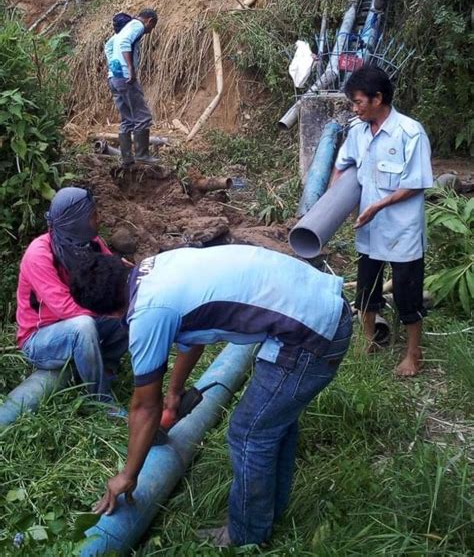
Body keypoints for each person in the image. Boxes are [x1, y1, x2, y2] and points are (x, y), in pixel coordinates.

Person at [69, 244, 353, 547]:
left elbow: (143, 408)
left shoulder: (148, 312)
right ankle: (270, 513)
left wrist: (127, 475)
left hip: (314, 334)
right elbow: (193, 336)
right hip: (321, 301)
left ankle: (247, 537)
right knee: (271, 423)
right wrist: (175, 393)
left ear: (111, 314)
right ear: (123, 264)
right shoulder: (157, 268)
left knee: (249, 434)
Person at [331, 66, 433, 376]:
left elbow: (415, 183)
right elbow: (342, 165)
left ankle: (413, 354)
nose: (354, 108)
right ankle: (369, 340)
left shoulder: (409, 132)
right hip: (369, 229)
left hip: (402, 230)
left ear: (378, 98)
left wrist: (378, 206)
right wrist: (334, 201)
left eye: (359, 101)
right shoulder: (359, 132)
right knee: (367, 288)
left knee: (407, 292)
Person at [16, 187, 128, 404]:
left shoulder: (91, 243)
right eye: (93, 215)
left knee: (128, 315)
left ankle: (105, 369)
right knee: (83, 326)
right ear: (76, 221)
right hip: (40, 338)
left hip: (79, 324)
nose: (100, 218)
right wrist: (109, 312)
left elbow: (113, 276)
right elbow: (65, 308)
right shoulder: (39, 255)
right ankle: (98, 400)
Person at [104, 8, 159, 167]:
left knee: (127, 119)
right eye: (152, 26)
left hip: (114, 78)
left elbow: (108, 46)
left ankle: (127, 159)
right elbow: (124, 43)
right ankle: (142, 155)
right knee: (143, 117)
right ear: (149, 21)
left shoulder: (121, 31)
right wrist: (130, 68)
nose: (150, 30)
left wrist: (114, 67)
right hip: (126, 78)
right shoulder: (137, 25)